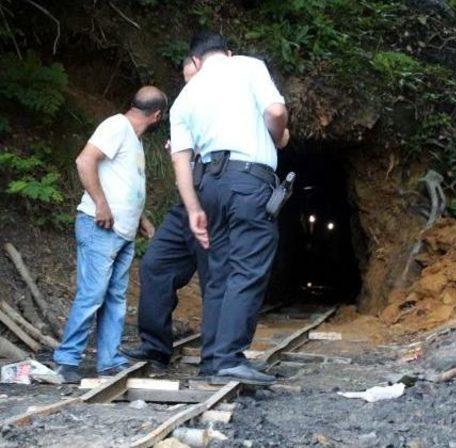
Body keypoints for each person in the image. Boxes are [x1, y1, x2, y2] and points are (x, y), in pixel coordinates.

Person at [170, 31, 289, 385]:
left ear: (196, 60)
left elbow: (180, 159)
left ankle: (212, 359)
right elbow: (276, 111)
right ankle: (228, 358)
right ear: (228, 52)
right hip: (248, 181)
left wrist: (193, 209)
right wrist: (277, 135)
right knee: (248, 267)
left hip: (207, 185)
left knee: (218, 273)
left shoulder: (184, 97)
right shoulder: (248, 66)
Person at [53, 86, 167, 383]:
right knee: (92, 295)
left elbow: (122, 181)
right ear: (157, 115)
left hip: (121, 231)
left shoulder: (132, 138)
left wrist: (140, 218)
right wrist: (101, 204)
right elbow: (84, 160)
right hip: (99, 225)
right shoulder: (116, 126)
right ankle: (66, 360)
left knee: (115, 297)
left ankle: (109, 360)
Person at [121, 56, 210, 369]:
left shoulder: (233, 103)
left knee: (216, 277)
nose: (190, 84)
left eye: (194, 77)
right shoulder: (188, 108)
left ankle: (217, 355)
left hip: (219, 198)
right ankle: (156, 347)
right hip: (186, 203)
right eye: (186, 79)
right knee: (156, 265)